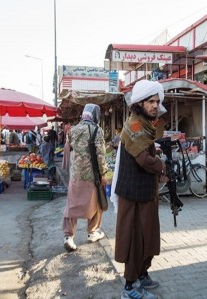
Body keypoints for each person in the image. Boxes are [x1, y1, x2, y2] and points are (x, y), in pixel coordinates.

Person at [111, 80, 167, 299]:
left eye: (157, 101)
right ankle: (129, 287)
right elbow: (143, 159)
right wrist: (161, 165)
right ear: (140, 103)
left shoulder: (144, 123)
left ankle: (142, 274)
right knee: (135, 239)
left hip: (145, 192)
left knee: (149, 237)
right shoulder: (135, 124)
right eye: (151, 101)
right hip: (133, 194)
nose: (155, 105)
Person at [62, 104, 108, 252]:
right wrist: (103, 174)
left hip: (75, 175)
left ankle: (68, 237)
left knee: (72, 204)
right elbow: (101, 155)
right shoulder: (97, 130)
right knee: (97, 204)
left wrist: (68, 169)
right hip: (91, 176)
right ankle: (92, 232)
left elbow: (67, 151)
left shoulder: (73, 130)